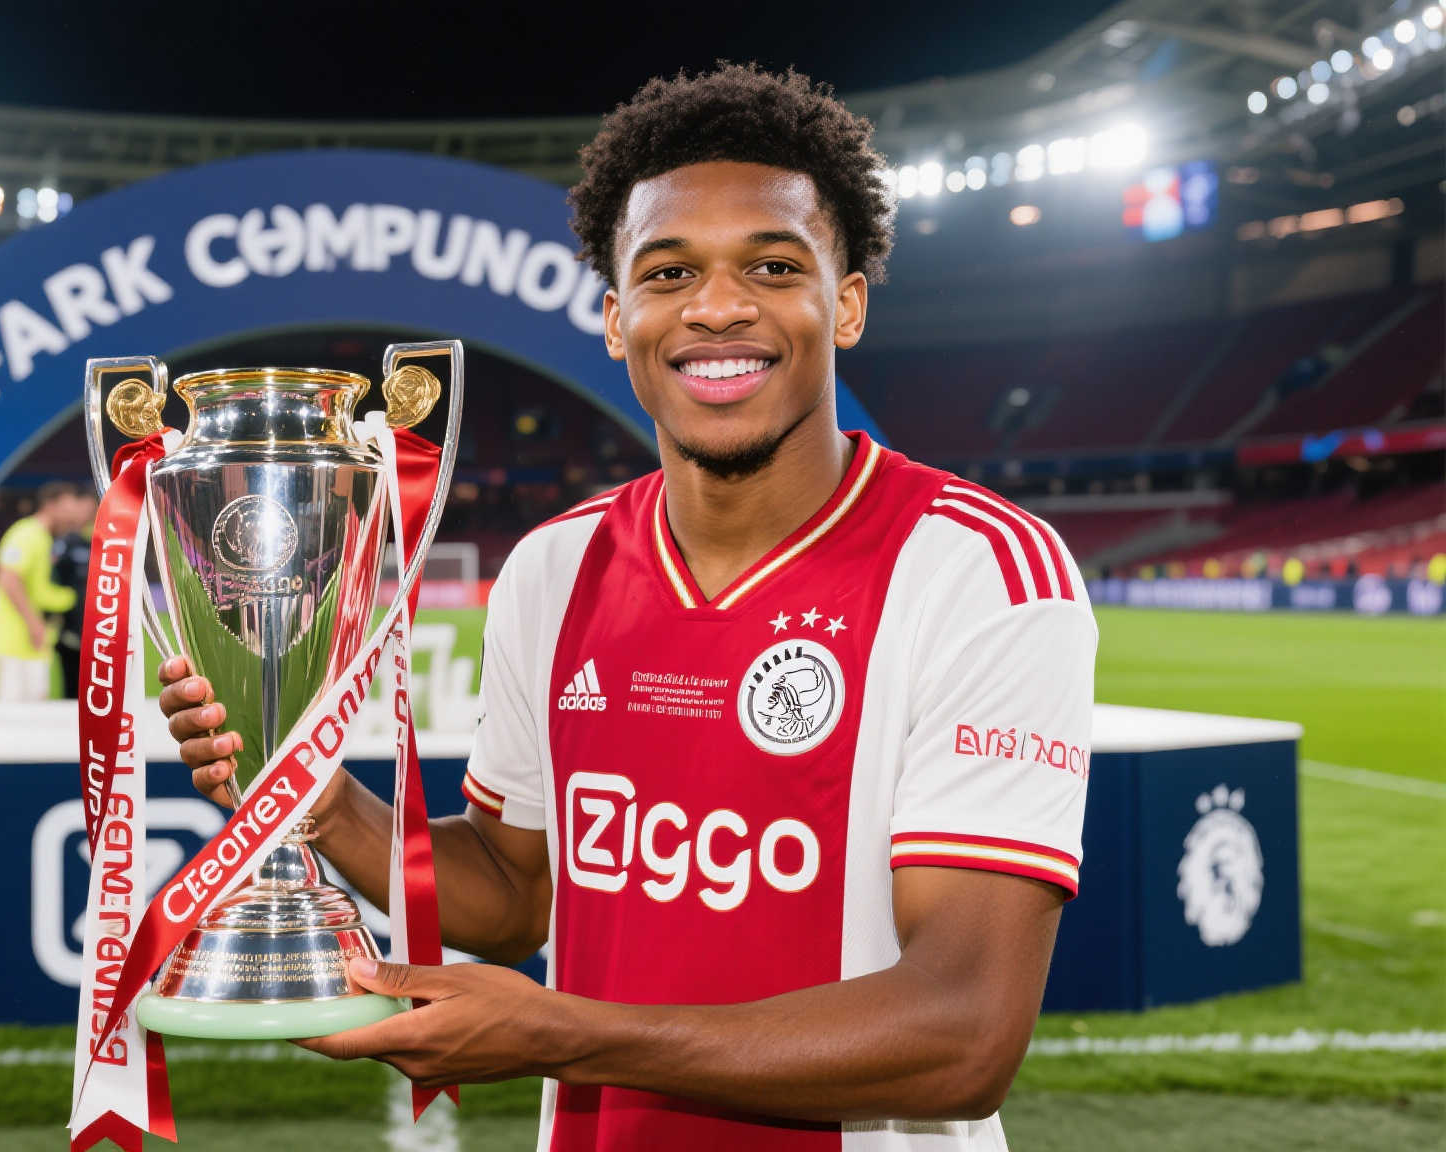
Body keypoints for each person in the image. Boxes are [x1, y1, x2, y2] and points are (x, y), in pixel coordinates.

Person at [158, 64, 1094, 1151]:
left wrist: (564, 1033)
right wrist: (318, 803)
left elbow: (962, 1035)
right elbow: (517, 892)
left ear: (844, 304)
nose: (717, 306)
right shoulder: (554, 569)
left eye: (773, 265)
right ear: (616, 319)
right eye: (668, 272)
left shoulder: (978, 572)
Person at [0, 481, 93, 703]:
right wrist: (34, 623)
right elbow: (8, 578)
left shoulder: (44, 537)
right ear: (50, 506)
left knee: (34, 711)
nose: (72, 517)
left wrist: (71, 599)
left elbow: (39, 590)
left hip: (31, 645)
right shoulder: (26, 534)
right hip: (14, 644)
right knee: (14, 715)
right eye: (67, 510)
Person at [49, 491, 100, 700]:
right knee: (71, 689)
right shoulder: (64, 543)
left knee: (93, 691)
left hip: (95, 630)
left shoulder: (95, 539)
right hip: (69, 632)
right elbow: (52, 580)